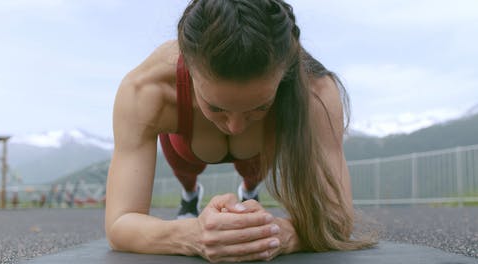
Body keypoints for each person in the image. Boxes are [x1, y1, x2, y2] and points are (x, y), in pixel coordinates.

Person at [105, 0, 376, 262]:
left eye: (259, 107)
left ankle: (249, 189)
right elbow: (119, 223)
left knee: (252, 168)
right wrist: (194, 234)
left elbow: (338, 217)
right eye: (216, 107)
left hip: (257, 151)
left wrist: (273, 234)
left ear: (284, 77)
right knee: (186, 171)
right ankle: (190, 195)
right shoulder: (145, 90)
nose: (235, 126)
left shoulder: (316, 91)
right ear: (187, 65)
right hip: (186, 148)